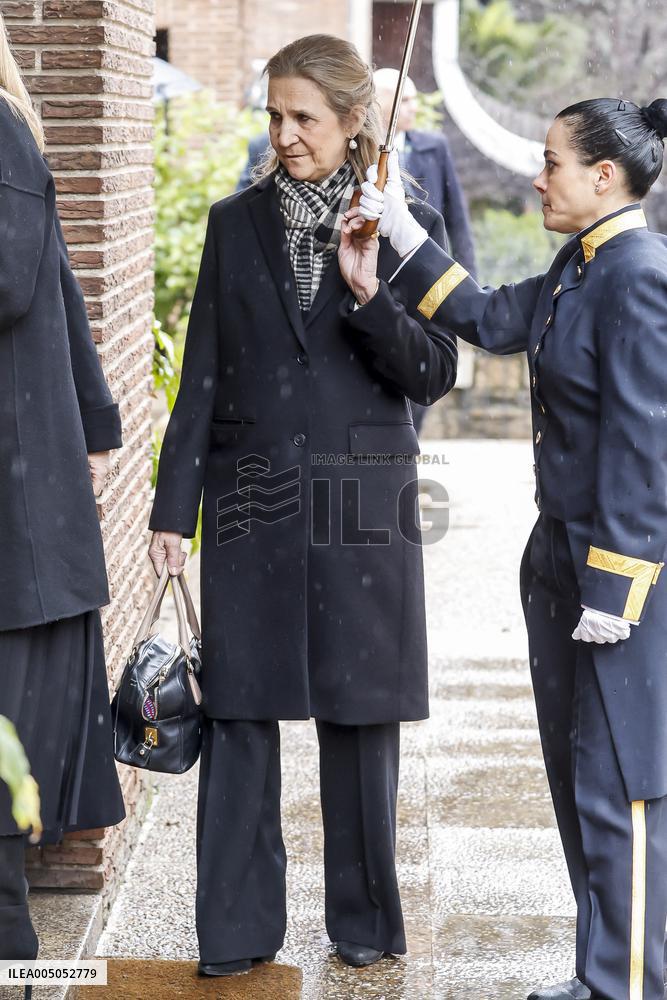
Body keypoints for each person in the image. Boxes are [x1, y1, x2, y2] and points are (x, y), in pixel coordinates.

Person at [148, 33, 457, 977]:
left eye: (304, 117)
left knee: (359, 715)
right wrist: (172, 511)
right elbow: (200, 375)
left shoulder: (403, 220)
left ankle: (363, 922)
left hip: (364, 500)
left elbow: (435, 372)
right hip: (250, 501)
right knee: (240, 713)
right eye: (274, 115)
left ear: (353, 119)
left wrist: (368, 296)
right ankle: (237, 932)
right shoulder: (233, 223)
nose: (284, 134)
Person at [348, 97, 667, 1000]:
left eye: (552, 163)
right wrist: (402, 231)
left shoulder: (638, 274)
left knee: (621, 786)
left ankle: (630, 987)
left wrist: (614, 587)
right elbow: (487, 316)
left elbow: (645, 443)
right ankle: (600, 971)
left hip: (616, 575)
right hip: (558, 558)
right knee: (576, 781)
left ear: (602, 176)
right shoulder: (581, 262)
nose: (536, 178)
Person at [0, 14, 126, 998]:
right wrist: (94, 417)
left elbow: (10, 280)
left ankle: (12, 946)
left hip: (14, 497)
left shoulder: (1, 133)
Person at [374, 68, 476, 436]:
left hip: (425, 279)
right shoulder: (361, 150)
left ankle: (409, 444)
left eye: (415, 99)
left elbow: (456, 220)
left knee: (423, 371)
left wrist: (466, 288)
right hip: (380, 280)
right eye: (404, 99)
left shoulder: (434, 147)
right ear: (380, 102)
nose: (413, 107)